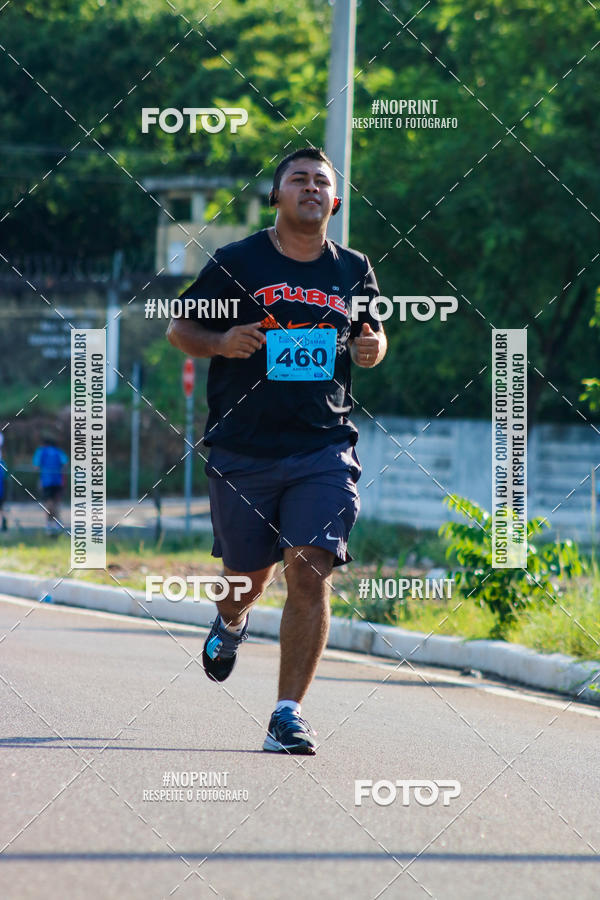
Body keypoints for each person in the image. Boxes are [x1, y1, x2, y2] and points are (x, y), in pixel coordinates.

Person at [167, 147, 387, 755]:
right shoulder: (238, 262)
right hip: (244, 448)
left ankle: (287, 715)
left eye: (322, 181)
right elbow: (180, 329)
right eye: (299, 179)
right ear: (276, 195)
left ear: (334, 201)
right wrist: (222, 342)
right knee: (246, 577)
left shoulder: (354, 268)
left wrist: (373, 348)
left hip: (323, 445)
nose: (311, 187)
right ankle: (231, 620)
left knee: (310, 569)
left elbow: (371, 335)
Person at [33, 434, 68, 533]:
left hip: (46, 481)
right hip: (58, 480)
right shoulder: (58, 451)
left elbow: (36, 466)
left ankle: (49, 523)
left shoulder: (41, 451)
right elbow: (65, 464)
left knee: (48, 502)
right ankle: (57, 523)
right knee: (56, 502)